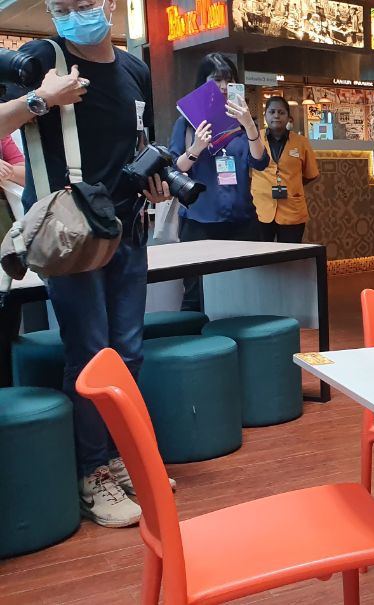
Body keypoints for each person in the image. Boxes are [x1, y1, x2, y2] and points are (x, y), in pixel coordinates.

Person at [0, 0, 171, 528]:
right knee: (90, 349)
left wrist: (154, 180)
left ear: (111, 5)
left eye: (85, 3)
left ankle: (119, 455)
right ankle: (92, 470)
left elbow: (137, 141)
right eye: (62, 6)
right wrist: (39, 99)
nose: (75, 13)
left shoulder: (134, 68)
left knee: (130, 350)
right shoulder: (38, 58)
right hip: (67, 233)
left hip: (127, 225)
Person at [168, 53, 268, 310]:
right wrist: (195, 148)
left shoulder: (242, 121)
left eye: (229, 80)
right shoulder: (187, 122)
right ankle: (195, 347)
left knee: (247, 291)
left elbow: (260, 161)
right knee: (196, 295)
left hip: (242, 222)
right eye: (216, 80)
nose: (223, 87)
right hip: (200, 223)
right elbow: (174, 171)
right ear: (203, 83)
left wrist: (249, 125)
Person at [253, 96, 319, 243]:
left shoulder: (301, 142)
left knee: (290, 258)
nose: (276, 115)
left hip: (292, 210)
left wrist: (292, 184)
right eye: (272, 112)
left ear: (288, 117)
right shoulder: (255, 139)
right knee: (261, 258)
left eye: (281, 112)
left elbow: (311, 174)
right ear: (265, 115)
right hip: (260, 209)